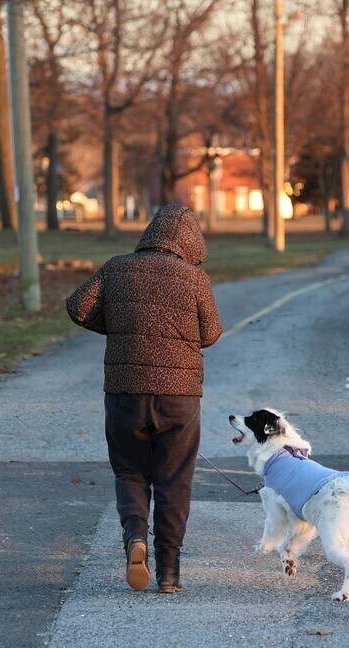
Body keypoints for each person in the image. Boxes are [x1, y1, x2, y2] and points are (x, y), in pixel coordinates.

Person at [66, 204, 222, 593]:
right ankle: (169, 573)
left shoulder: (116, 267)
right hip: (179, 398)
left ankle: (135, 537)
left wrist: (119, 326)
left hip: (124, 392)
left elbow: (78, 307)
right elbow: (211, 333)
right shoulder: (195, 278)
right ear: (191, 241)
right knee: (174, 478)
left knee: (130, 471)